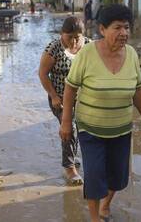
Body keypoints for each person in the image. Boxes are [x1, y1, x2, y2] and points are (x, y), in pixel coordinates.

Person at [60, 4, 141, 222]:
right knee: (94, 174)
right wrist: (66, 122)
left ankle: (106, 206)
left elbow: (138, 89)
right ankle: (95, 218)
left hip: (121, 129)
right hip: (90, 129)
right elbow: (70, 87)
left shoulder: (131, 55)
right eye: (118, 27)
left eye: (127, 28)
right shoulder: (87, 54)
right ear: (102, 29)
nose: (124, 33)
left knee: (118, 177)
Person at [39, 16, 90, 185]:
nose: (74, 42)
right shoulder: (53, 49)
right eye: (70, 38)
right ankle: (69, 167)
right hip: (60, 98)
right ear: (62, 34)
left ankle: (74, 157)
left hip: (84, 99)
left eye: (77, 37)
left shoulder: (89, 47)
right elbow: (42, 74)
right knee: (70, 128)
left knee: (83, 130)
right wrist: (53, 96)